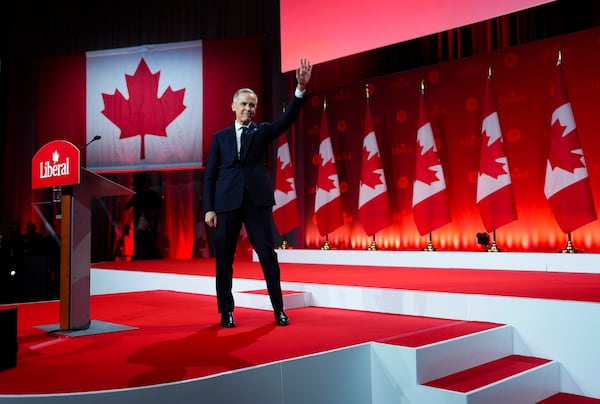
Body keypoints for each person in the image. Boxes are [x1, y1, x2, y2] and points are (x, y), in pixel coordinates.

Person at [203, 58, 312, 328]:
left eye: (253, 105)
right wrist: (209, 208)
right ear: (233, 106)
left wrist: (300, 90)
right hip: (226, 203)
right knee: (224, 261)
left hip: (256, 203)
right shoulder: (220, 137)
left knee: (267, 256)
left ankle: (279, 310)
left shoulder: (262, 132)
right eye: (244, 104)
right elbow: (210, 174)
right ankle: (226, 312)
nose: (249, 109)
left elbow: (287, 120)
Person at [126, 172, 162, 260]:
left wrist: (151, 213)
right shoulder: (138, 195)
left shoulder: (152, 195)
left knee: (148, 238)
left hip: (148, 221)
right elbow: (128, 205)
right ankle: (142, 254)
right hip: (140, 220)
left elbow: (158, 206)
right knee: (141, 237)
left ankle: (150, 254)